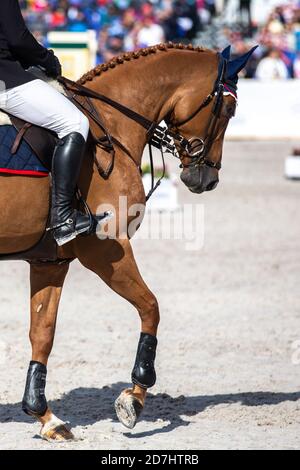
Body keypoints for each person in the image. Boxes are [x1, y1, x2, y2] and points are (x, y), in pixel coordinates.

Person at [0, 0, 96, 246]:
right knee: (74, 122)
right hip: (5, 79)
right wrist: (47, 60)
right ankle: (64, 219)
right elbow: (18, 38)